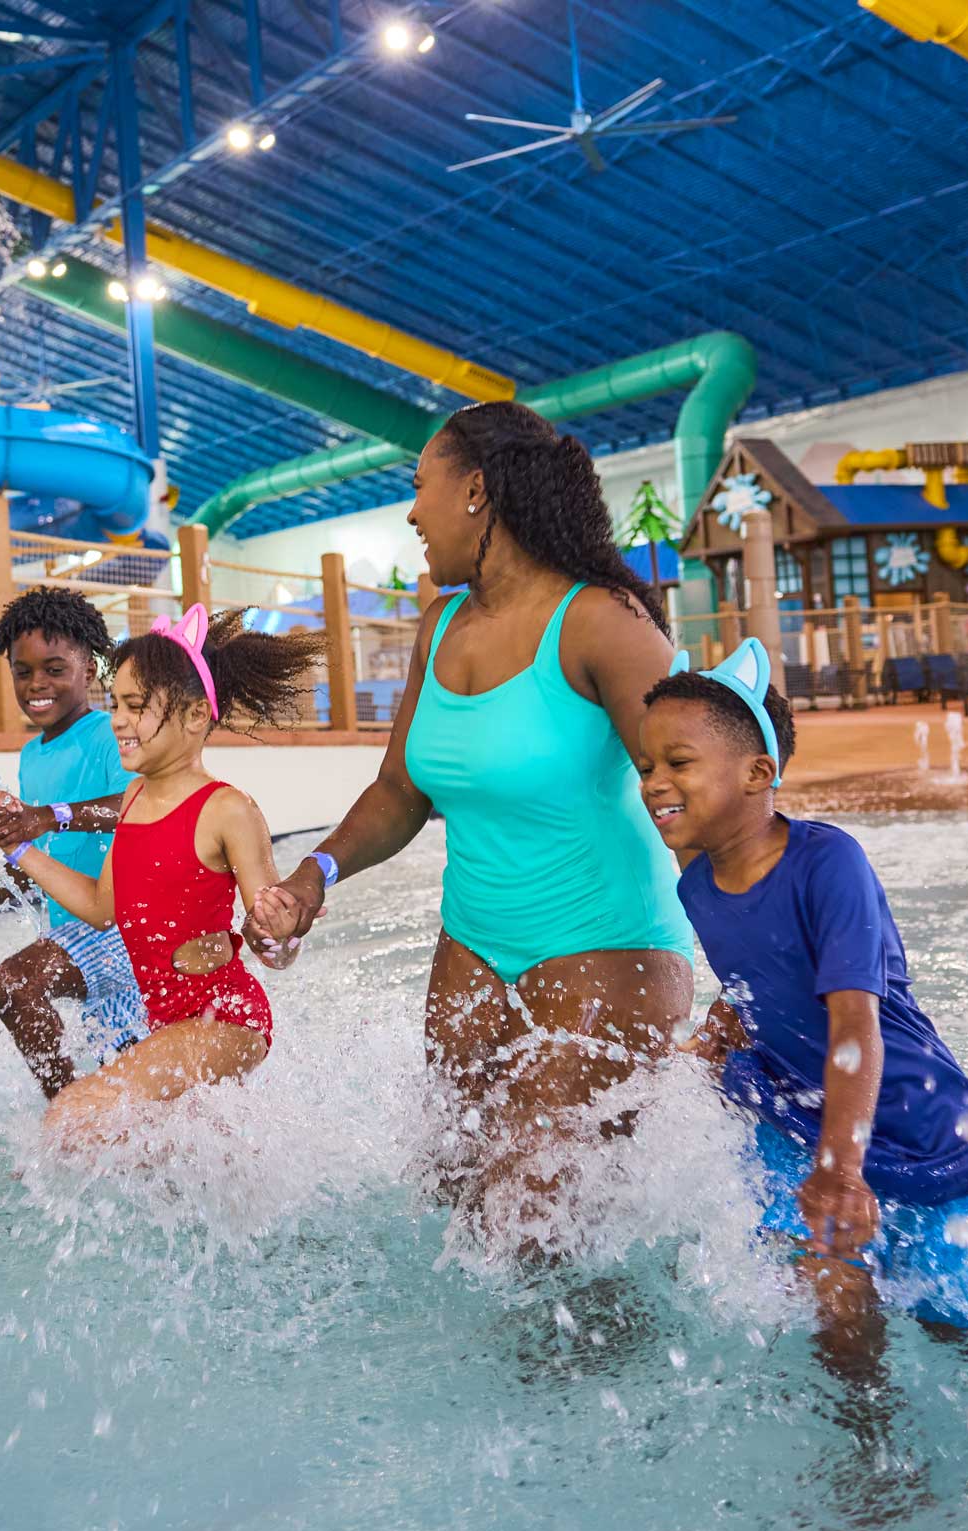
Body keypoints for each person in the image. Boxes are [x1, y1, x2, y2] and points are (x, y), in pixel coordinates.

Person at [242, 401, 695, 1236]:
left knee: (529, 1216)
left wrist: (769, 957)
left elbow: (697, 786)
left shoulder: (603, 621)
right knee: (453, 1192)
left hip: (608, 945)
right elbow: (400, 791)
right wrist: (314, 875)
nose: (413, 512)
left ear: (477, 490)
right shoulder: (440, 625)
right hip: (474, 947)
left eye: (421, 487)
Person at [637, 639, 968, 1372]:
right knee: (834, 1311)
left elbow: (856, 1021)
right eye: (646, 766)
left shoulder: (829, 863)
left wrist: (843, 1170)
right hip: (796, 1109)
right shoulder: (696, 878)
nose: (654, 781)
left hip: (910, 1118)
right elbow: (749, 968)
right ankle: (867, 1444)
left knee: (959, 1324)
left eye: (678, 763)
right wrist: (713, 1042)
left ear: (759, 774)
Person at [0, 604, 319, 1149]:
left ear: (195, 716)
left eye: (136, 706)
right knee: (154, 1158)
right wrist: (19, 848)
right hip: (162, 1016)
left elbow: (275, 944)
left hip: (226, 1019)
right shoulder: (134, 799)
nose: (117, 719)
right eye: (116, 703)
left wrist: (278, 934)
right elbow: (101, 907)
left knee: (73, 1117)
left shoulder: (226, 809)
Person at [0, 586, 148, 1097]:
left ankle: (63, 1111)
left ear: (91, 668)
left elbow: (139, 809)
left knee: (17, 983)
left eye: (55, 669)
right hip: (81, 937)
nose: (37, 683)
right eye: (23, 671)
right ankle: (86, 1123)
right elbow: (37, 862)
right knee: (133, 1096)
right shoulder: (32, 755)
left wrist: (48, 815)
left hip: (124, 930)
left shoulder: (111, 734)